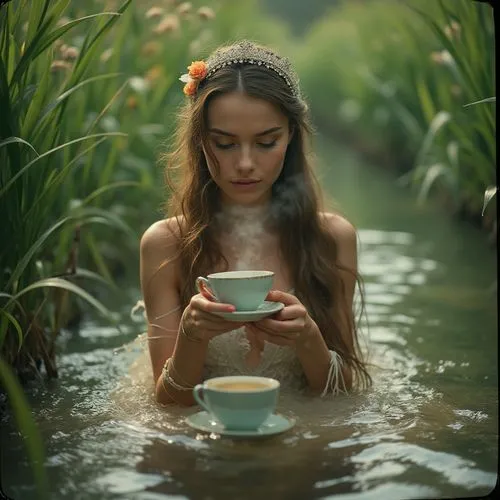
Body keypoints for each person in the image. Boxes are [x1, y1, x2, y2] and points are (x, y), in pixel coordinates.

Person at [139, 40, 372, 406]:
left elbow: (343, 395)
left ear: (291, 136)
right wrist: (191, 335)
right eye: (225, 144)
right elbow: (167, 403)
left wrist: (308, 337)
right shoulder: (166, 243)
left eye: (266, 142)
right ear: (201, 141)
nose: (245, 163)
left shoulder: (331, 238)